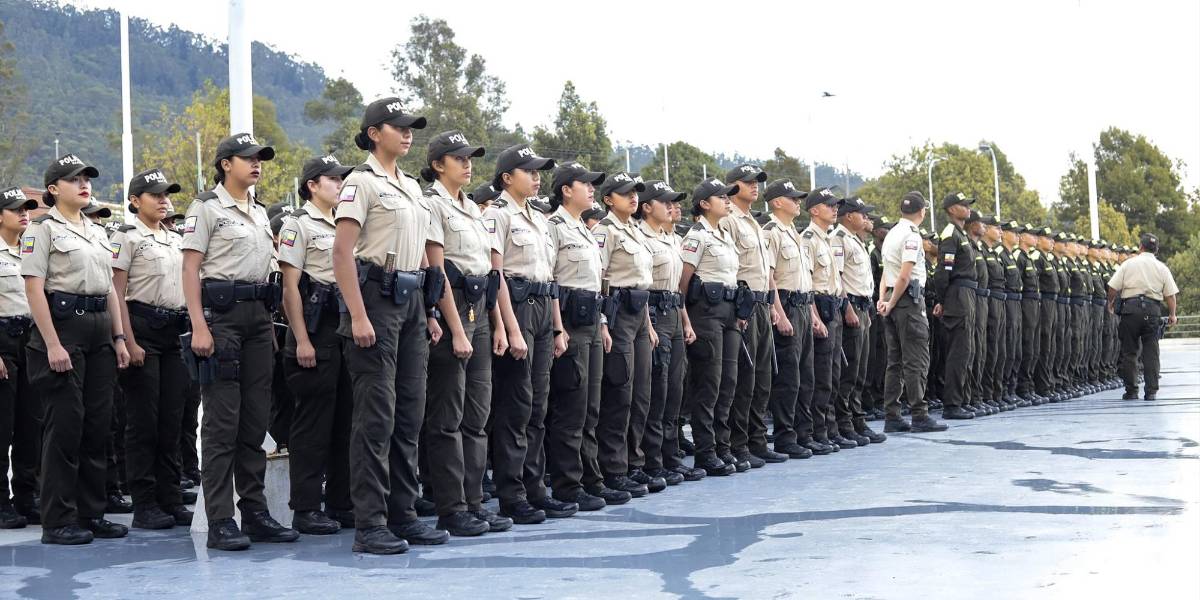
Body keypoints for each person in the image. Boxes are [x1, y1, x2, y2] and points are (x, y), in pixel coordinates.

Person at [332, 99, 450, 553]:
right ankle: (371, 523)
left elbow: (419, 248)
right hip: (375, 300)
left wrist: (431, 310)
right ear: (374, 132)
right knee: (375, 417)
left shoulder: (412, 189)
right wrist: (358, 314)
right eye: (398, 127)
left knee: (409, 413)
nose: (408, 134)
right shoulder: (360, 183)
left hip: (412, 301)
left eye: (411, 127)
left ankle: (404, 513)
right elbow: (341, 253)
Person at [182, 134, 298, 551]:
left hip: (257, 320)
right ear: (225, 164)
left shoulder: (259, 212)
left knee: (254, 423)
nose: (257, 164)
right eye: (248, 158)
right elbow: (190, 269)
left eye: (260, 158)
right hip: (222, 319)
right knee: (221, 426)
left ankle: (255, 511)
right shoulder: (207, 208)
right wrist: (199, 325)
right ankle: (220, 520)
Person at [22, 154, 131, 545]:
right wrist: (52, 343)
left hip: (99, 329)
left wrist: (118, 338)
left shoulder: (97, 231)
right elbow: (34, 288)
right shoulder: (42, 229)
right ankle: (58, 520)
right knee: (65, 429)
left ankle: (91, 512)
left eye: (87, 178)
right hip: (63, 329)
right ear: (53, 189)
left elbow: (110, 291)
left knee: (97, 428)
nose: (84, 184)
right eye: (74, 179)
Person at [419, 132, 513, 535]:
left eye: (470, 157)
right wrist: (456, 329)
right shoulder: (433, 205)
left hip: (478, 309)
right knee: (448, 417)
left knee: (477, 416)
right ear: (439, 164)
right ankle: (451, 507)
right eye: (458, 158)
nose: (468, 163)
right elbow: (437, 272)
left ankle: (475, 503)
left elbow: (489, 273)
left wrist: (497, 324)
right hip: (453, 308)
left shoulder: (474, 210)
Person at [481, 144, 576, 526]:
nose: (537, 177)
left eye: (539, 172)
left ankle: (535, 491)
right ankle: (512, 494)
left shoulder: (538, 217)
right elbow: (496, 274)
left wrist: (557, 326)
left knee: (538, 408)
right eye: (529, 171)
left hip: (541, 309)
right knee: (515, 409)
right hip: (517, 309)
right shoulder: (498, 215)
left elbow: (550, 277)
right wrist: (509, 328)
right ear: (507, 177)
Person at [276, 156, 356, 535]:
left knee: (346, 420)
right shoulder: (298, 224)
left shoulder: (345, 223)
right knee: (312, 425)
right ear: (312, 184)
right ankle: (305, 507)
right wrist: (302, 339)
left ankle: (341, 502)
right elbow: (290, 288)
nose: (339, 184)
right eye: (332, 179)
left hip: (343, 326)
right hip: (315, 327)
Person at [110, 169, 192, 530]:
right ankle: (144, 503)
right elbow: (117, 291)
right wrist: (128, 339)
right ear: (134, 201)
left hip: (174, 331)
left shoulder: (173, 238)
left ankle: (170, 497)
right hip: (142, 328)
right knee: (144, 422)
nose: (164, 200)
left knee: (172, 420)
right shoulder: (127, 238)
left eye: (166, 194)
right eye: (155, 194)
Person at [542, 161, 619, 510]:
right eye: (584, 183)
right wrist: (558, 329)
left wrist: (602, 322)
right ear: (565, 190)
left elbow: (595, 284)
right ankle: (567, 485)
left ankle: (591, 479)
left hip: (590, 321)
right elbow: (551, 282)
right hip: (569, 325)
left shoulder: (586, 229)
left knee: (591, 408)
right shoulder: (554, 227)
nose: (591, 189)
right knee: (570, 410)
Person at [592, 172, 663, 494]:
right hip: (617, 314)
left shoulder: (634, 230)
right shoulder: (605, 232)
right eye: (625, 193)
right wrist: (603, 323)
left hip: (638, 313)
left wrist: (648, 325)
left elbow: (642, 283)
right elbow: (599, 279)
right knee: (619, 393)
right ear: (608, 199)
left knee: (641, 394)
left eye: (635, 193)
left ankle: (635, 463)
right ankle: (614, 468)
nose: (633, 198)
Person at [634, 180, 703, 482]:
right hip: (654, 314)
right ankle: (653, 459)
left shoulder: (672, 238)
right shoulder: (641, 237)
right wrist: (648, 325)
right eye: (665, 202)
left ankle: (670, 456)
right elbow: (641, 286)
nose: (671, 207)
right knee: (657, 390)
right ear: (648, 207)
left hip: (674, 313)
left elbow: (678, 288)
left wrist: (686, 321)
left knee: (675, 389)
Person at [720, 165, 784, 468]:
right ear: (733, 187)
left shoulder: (756, 225)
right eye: (747, 182)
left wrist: (773, 305)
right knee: (743, 379)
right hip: (743, 306)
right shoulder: (729, 221)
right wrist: (740, 309)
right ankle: (739, 442)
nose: (754, 186)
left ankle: (758, 440)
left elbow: (767, 274)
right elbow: (728, 268)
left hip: (761, 305)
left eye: (757, 182)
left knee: (762, 378)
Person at [679, 178, 742, 477]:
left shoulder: (724, 235)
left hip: (728, 311)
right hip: (705, 313)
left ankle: (722, 446)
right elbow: (683, 281)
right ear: (704, 204)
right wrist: (685, 319)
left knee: (728, 381)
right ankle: (705, 451)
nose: (728, 200)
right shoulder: (697, 236)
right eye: (721, 197)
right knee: (709, 383)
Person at [877, 192, 947, 433]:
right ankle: (919, 414)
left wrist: (883, 299)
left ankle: (892, 415)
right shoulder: (911, 236)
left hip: (892, 299)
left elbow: (888, 272)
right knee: (916, 359)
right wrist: (893, 300)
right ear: (922, 212)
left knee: (895, 362)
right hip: (907, 302)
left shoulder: (893, 233)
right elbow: (905, 275)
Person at [760, 180, 820, 458]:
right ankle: (785, 436)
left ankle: (804, 433)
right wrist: (779, 313)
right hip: (786, 305)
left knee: (806, 376)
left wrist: (812, 315)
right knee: (788, 377)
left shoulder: (794, 233)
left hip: (803, 306)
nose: (798, 202)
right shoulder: (771, 232)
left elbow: (804, 280)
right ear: (776, 202)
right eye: (792, 198)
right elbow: (768, 276)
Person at [831, 196, 886, 445]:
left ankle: (857, 419)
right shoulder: (839, 239)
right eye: (863, 214)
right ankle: (845, 423)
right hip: (851, 307)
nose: (867, 218)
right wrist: (848, 308)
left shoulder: (856, 240)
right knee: (849, 370)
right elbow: (838, 278)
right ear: (849, 216)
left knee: (862, 370)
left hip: (864, 308)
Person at [0, 187, 40, 529]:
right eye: (17, 209)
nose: (24, 214)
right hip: (3, 341)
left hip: (32, 340)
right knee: (3, 427)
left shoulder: (32, 250)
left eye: (27, 209)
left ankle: (28, 495)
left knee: (32, 425)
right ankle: (1, 503)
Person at [799, 188, 846, 450]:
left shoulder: (827, 238)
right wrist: (814, 315)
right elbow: (806, 282)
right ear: (814, 210)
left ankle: (829, 427)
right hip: (819, 307)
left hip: (834, 306)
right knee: (820, 375)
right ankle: (818, 430)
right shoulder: (808, 239)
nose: (834, 209)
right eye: (829, 205)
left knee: (833, 373)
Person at [1107, 233, 1178, 401]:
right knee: (1151, 352)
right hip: (1152, 310)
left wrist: (1110, 303)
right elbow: (1170, 295)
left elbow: (1112, 287)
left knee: (1129, 352)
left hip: (1130, 310)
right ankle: (1151, 391)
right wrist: (1172, 314)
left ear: (1140, 247)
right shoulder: (1162, 267)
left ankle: (1131, 391)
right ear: (1157, 249)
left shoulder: (1128, 264)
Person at [930, 193, 978, 420]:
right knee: (958, 352)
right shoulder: (950, 234)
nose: (967, 208)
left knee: (966, 351)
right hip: (957, 295)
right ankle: (952, 404)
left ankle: (960, 400)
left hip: (966, 293)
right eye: (963, 204)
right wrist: (942, 300)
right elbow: (943, 272)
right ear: (950, 209)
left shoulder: (961, 234)